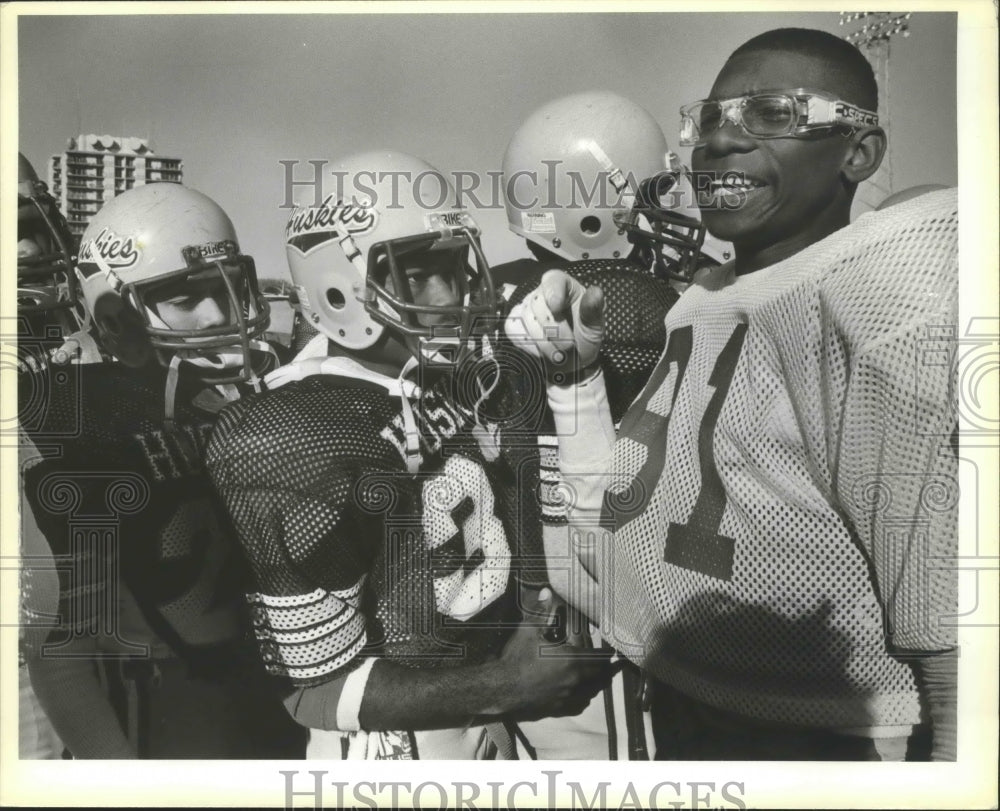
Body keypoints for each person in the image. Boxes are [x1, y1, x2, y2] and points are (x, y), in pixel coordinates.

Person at [506, 28, 958, 761]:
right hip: (696, 711)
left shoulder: (884, 300)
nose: (720, 142)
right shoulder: (706, 299)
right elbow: (612, 528)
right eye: (709, 119)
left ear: (859, 153)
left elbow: (954, 644)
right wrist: (576, 377)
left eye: (774, 113)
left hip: (832, 738)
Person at [205, 151, 617, 760]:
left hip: (495, 721)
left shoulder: (458, 377)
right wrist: (505, 685)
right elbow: (310, 689)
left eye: (454, 266)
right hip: (397, 749)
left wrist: (533, 616)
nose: (450, 293)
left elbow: (543, 524)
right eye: (419, 273)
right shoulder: (287, 429)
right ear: (339, 288)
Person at [20, 182, 306, 759]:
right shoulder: (73, 415)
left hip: (284, 690)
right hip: (177, 710)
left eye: (226, 288)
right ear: (118, 315)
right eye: (184, 297)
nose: (219, 314)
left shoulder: (257, 394)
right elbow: (61, 649)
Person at [495, 91, 725, 759]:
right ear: (589, 215)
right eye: (650, 194)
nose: (669, 210)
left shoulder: (520, 308)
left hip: (583, 603)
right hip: (614, 618)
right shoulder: (629, 313)